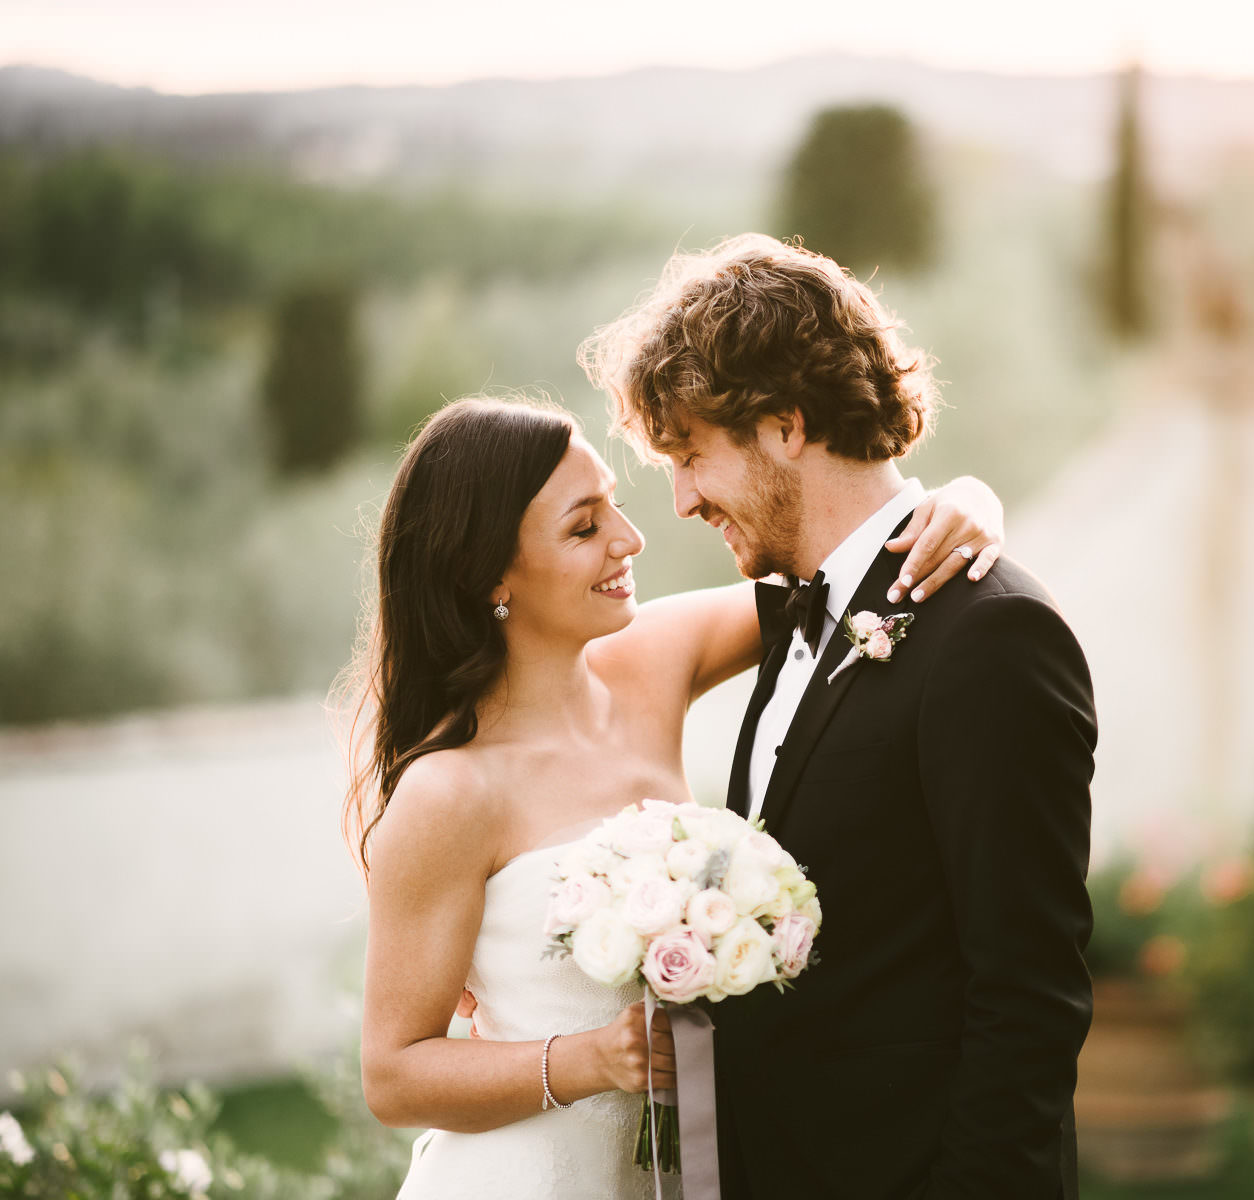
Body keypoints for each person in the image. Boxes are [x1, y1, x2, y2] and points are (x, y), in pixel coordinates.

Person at [342, 393, 1007, 1199]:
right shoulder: (448, 792)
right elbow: (395, 1075)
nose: (630, 539)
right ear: (486, 576)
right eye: (584, 527)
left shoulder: (653, 658)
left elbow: (848, 585)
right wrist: (587, 1062)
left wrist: (967, 503)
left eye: (613, 507)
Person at [586, 234, 1097, 1200]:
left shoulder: (994, 636)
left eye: (693, 454)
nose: (685, 499)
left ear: (785, 425)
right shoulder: (792, 617)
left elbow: (1029, 998)